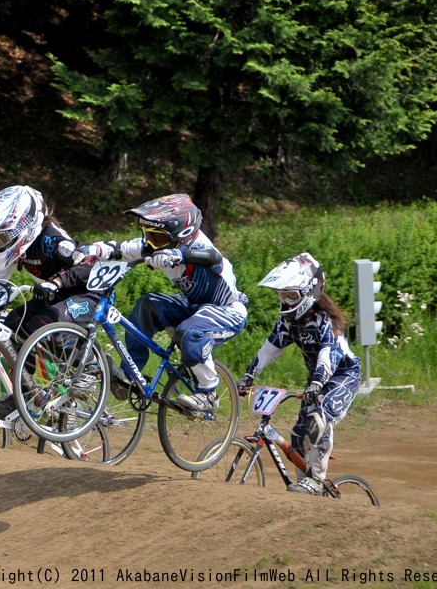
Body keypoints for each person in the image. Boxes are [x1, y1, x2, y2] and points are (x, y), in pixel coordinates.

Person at [81, 193, 248, 412]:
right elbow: (121, 249)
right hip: (192, 307)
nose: (151, 243)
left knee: (190, 333)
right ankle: (130, 377)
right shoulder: (159, 246)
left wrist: (178, 255)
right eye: (148, 235)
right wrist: (91, 250)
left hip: (227, 310)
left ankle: (209, 394)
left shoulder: (200, 247)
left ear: (183, 235)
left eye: (157, 237)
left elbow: (211, 258)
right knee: (146, 305)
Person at [0, 184, 100, 420]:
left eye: (2, 235)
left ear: (25, 224)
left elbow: (90, 265)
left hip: (88, 294)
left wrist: (58, 283)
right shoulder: (20, 244)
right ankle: (24, 396)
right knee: (14, 324)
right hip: (54, 297)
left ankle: (91, 364)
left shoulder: (54, 241)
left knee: (41, 324)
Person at [235, 253, 362, 496]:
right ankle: (304, 484)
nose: (286, 300)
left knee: (318, 416)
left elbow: (328, 356)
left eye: (291, 295)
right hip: (317, 378)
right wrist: (248, 376)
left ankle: (316, 478)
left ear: (309, 291)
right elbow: (269, 350)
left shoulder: (325, 321)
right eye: (282, 295)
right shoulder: (288, 322)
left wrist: (316, 384)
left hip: (343, 374)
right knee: (297, 434)